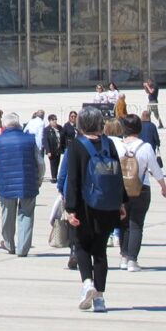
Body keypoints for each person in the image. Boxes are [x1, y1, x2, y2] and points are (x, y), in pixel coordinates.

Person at [64, 107, 128, 314]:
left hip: (84, 205)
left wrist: (71, 209)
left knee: (81, 245)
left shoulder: (77, 146)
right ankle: (99, 299)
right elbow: (118, 176)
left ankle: (87, 284)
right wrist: (122, 203)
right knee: (100, 251)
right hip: (108, 205)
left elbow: (72, 179)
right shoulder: (108, 143)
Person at [118, 114, 166, 272]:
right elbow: (155, 169)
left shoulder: (118, 146)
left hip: (121, 190)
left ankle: (124, 257)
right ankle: (133, 260)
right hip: (141, 188)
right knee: (136, 224)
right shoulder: (145, 147)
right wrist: (163, 187)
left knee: (123, 224)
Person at [0, 112, 41, 257]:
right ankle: (23, 249)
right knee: (26, 214)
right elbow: (40, 163)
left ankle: (9, 244)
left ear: (4, 125)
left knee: (7, 214)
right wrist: (39, 178)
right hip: (28, 182)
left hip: (6, 182)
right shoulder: (30, 140)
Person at [43, 114, 64, 182]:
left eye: (55, 119)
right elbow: (45, 140)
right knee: (52, 163)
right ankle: (54, 177)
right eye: (53, 120)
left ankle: (55, 175)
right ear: (49, 121)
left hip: (58, 149)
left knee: (57, 163)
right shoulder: (47, 129)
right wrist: (48, 151)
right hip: (51, 149)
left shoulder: (60, 128)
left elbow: (63, 137)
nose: (55, 121)